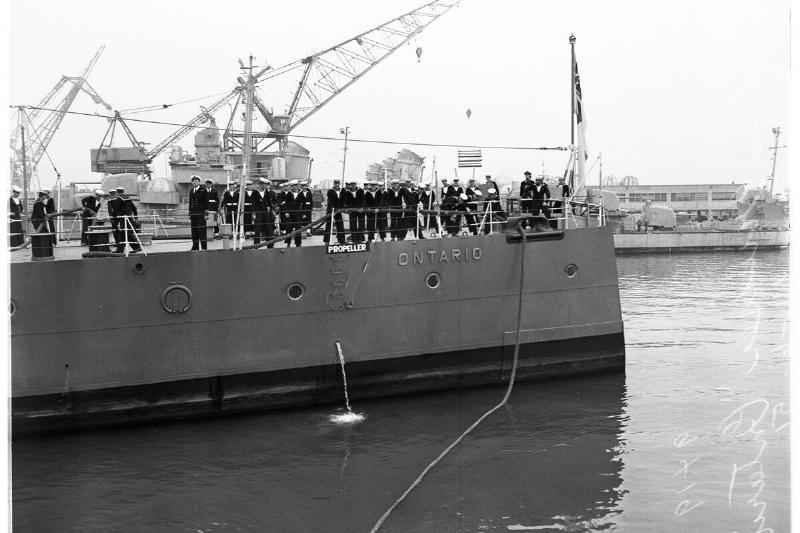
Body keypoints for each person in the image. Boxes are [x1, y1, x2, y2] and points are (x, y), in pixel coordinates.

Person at [115, 187, 141, 253]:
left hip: (123, 219)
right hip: (129, 218)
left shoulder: (119, 198)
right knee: (123, 233)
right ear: (123, 191)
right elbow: (134, 208)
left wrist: (112, 217)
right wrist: (136, 218)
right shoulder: (127, 198)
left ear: (117, 192)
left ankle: (137, 247)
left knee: (127, 233)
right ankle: (120, 250)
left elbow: (116, 209)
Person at [188, 175, 209, 250]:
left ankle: (204, 247)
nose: (194, 182)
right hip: (194, 214)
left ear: (199, 182)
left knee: (202, 231)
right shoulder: (191, 191)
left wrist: (206, 214)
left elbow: (206, 202)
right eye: (193, 181)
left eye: (196, 181)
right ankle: (195, 246)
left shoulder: (203, 190)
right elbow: (190, 202)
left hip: (201, 214)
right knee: (194, 231)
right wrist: (190, 212)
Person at [324, 179, 346, 244]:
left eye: (338, 183)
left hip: (339, 210)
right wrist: (331, 210)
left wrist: (343, 208)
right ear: (334, 184)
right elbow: (330, 201)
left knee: (340, 225)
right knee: (328, 225)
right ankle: (326, 240)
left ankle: (341, 240)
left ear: (339, 184)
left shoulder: (343, 190)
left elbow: (343, 200)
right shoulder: (330, 191)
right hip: (331, 209)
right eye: (335, 183)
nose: (337, 184)